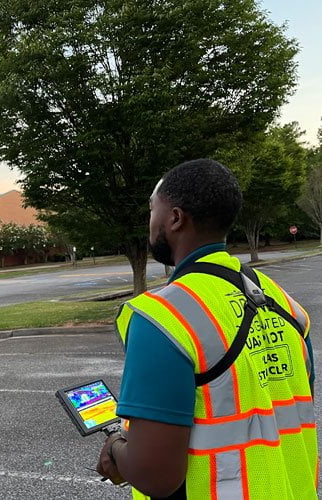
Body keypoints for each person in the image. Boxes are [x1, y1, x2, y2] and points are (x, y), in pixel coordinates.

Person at [96, 159, 317, 499]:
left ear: (174, 218)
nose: (150, 221)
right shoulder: (286, 305)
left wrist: (115, 448)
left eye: (152, 210)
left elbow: (154, 475)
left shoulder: (163, 317)